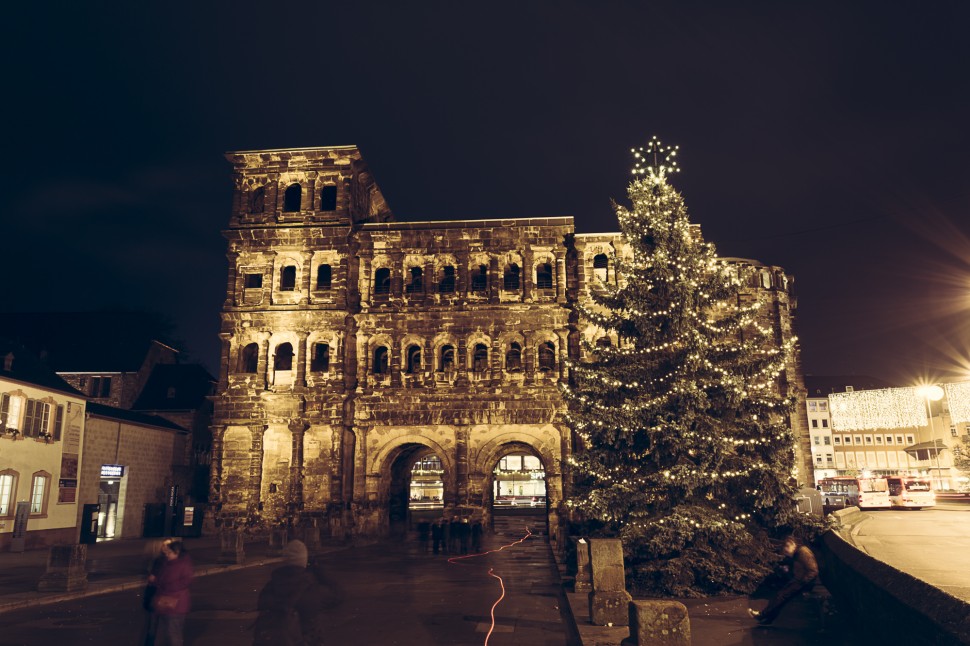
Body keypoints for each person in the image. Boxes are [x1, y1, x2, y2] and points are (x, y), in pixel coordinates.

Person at [253, 540, 332, 645]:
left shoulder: (270, 586)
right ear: (304, 561)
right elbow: (337, 595)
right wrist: (319, 571)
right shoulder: (309, 588)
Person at [749, 535, 819, 625]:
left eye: (787, 548)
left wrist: (802, 582)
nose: (786, 551)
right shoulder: (798, 553)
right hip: (800, 580)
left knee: (781, 596)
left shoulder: (803, 552)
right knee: (781, 597)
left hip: (803, 582)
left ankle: (762, 615)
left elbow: (813, 570)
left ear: (793, 545)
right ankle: (768, 619)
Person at [148, 538, 193, 646]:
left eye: (169, 552)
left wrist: (161, 583)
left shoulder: (183, 565)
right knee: (160, 633)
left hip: (176, 604)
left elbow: (185, 582)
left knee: (174, 634)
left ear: (177, 552)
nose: (167, 554)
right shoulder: (167, 562)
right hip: (163, 603)